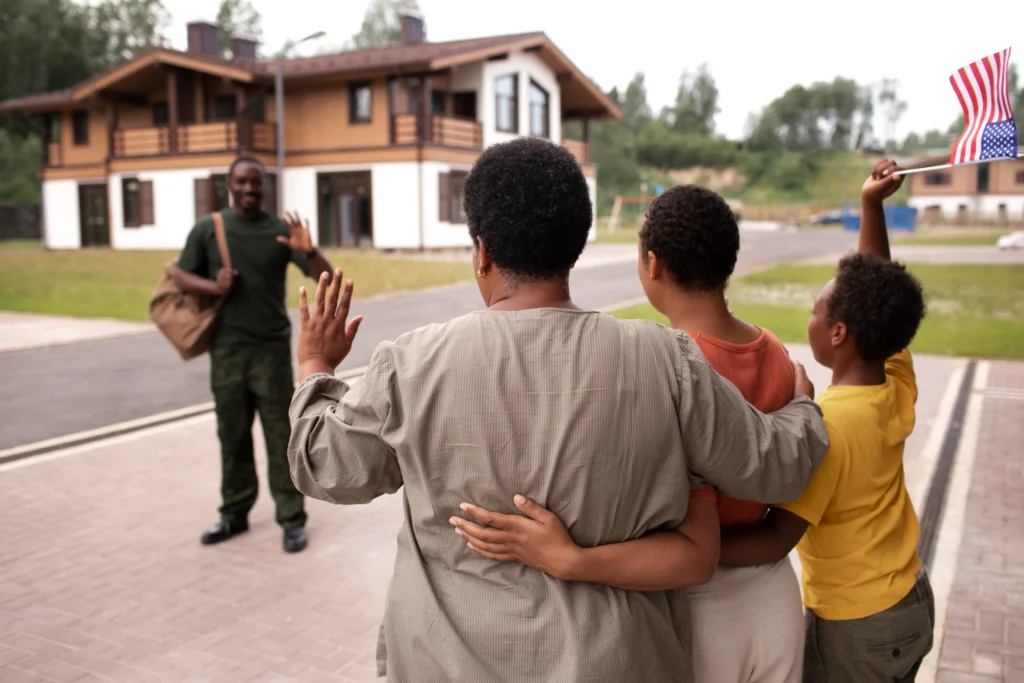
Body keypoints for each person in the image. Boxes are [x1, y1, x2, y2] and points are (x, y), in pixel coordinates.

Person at [287, 137, 829, 683]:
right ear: (577, 245)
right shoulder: (666, 360)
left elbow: (324, 466)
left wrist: (315, 362)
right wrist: (803, 409)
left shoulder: (411, 364)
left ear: (482, 252)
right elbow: (775, 468)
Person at [453, 184, 807, 683]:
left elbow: (689, 539)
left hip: (692, 599)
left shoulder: (670, 368)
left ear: (652, 264)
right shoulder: (774, 352)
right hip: (774, 593)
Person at [713, 159, 932, 682]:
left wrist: (692, 550)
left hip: (858, 626)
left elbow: (774, 538)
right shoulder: (893, 382)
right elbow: (877, 286)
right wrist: (870, 206)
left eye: (816, 310)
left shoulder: (826, 428)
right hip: (908, 599)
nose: (809, 318)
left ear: (837, 333)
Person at [173, 155, 333, 554]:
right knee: (232, 434)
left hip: (272, 350)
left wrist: (310, 252)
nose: (248, 189)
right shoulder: (209, 230)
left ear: (265, 186)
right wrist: (214, 286)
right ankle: (234, 514)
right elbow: (178, 274)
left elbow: (323, 275)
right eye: (241, 182)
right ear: (228, 183)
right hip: (227, 350)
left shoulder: (280, 230)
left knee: (282, 435)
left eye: (255, 183)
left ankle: (292, 519)